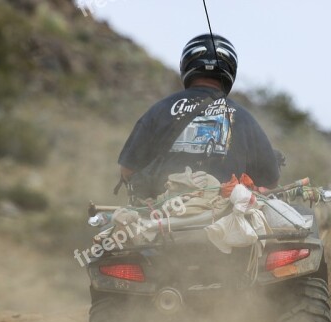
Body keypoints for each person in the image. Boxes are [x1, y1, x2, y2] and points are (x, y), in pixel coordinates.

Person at [118, 33, 281, 198]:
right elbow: (270, 182)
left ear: (186, 65)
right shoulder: (245, 119)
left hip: (162, 215)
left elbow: (128, 170)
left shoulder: (159, 110)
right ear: (230, 69)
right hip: (225, 218)